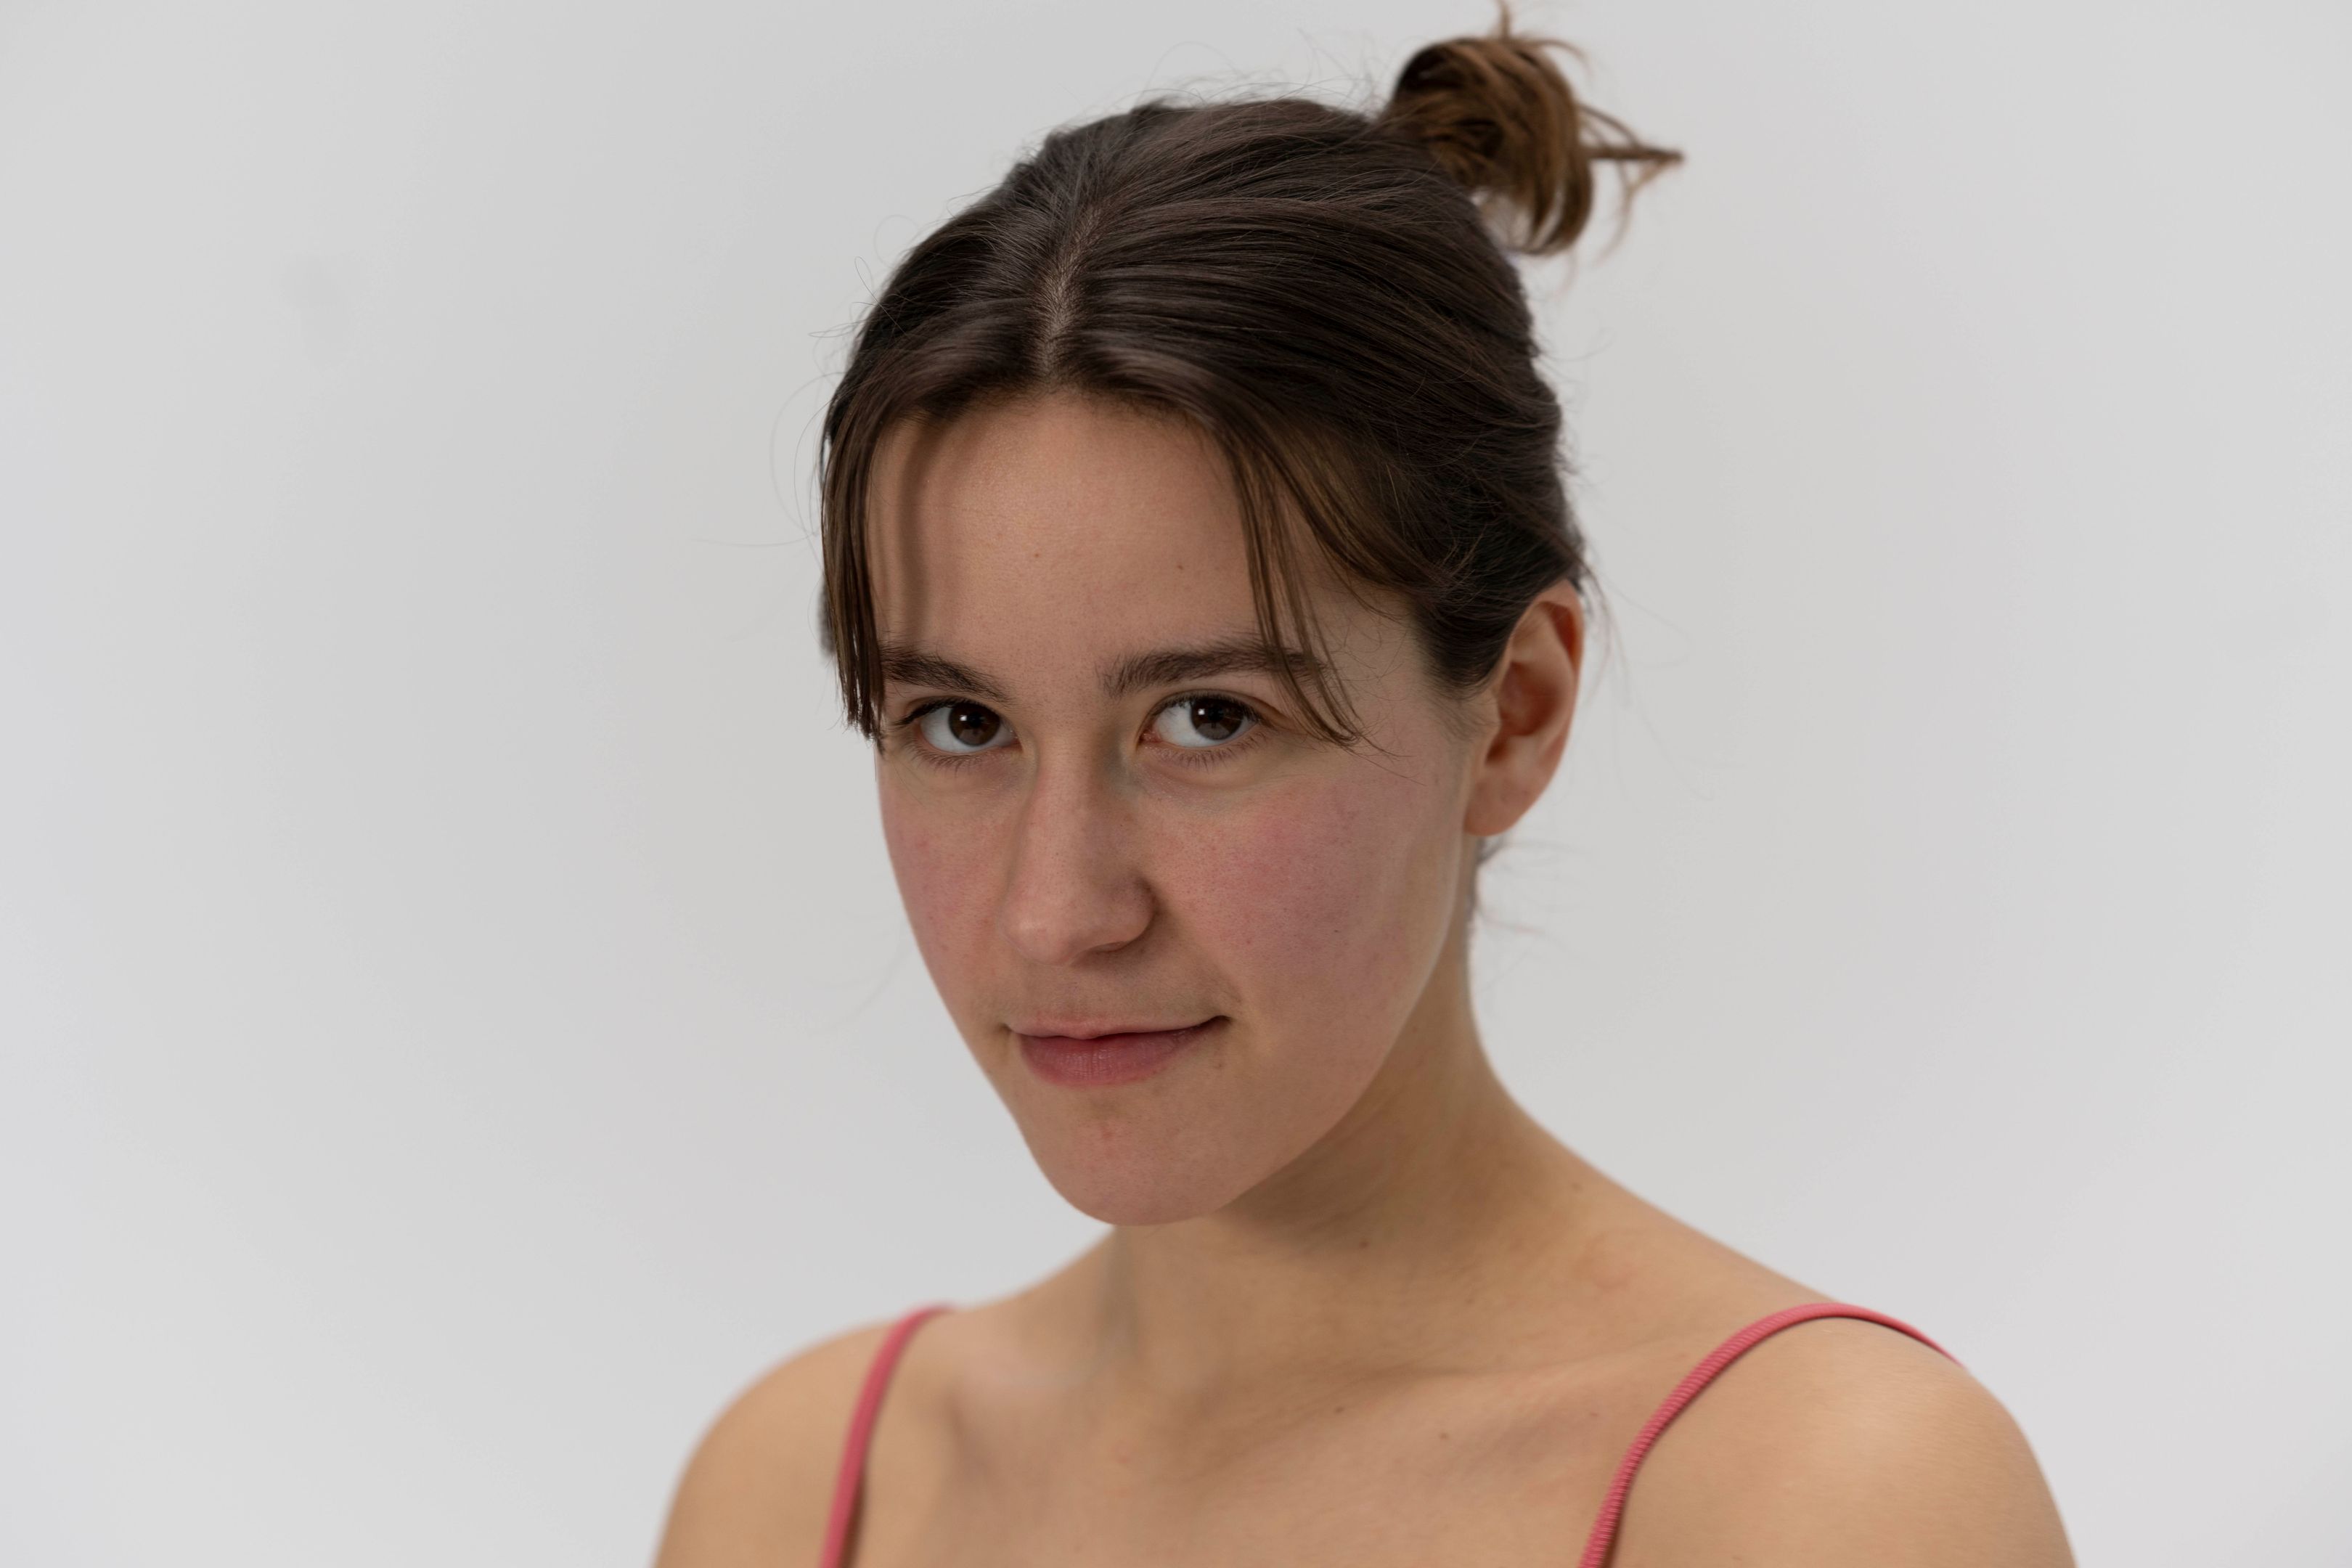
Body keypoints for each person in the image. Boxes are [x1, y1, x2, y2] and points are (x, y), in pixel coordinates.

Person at [654, 10, 2075, 1565]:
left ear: (1516, 715)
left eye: (1207, 719)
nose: (1056, 913)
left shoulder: (1818, 1501)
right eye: (960, 723)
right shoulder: (800, 1491)